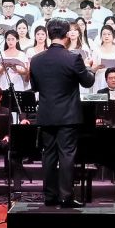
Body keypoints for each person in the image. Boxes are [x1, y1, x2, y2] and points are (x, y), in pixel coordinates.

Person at [30, 17, 94, 208]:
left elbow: (35, 87)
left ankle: (50, 196)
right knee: (66, 155)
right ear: (67, 35)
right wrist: (88, 67)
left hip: (46, 115)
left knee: (48, 155)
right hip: (68, 116)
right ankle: (66, 196)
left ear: (49, 35)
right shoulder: (73, 58)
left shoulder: (36, 60)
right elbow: (88, 82)